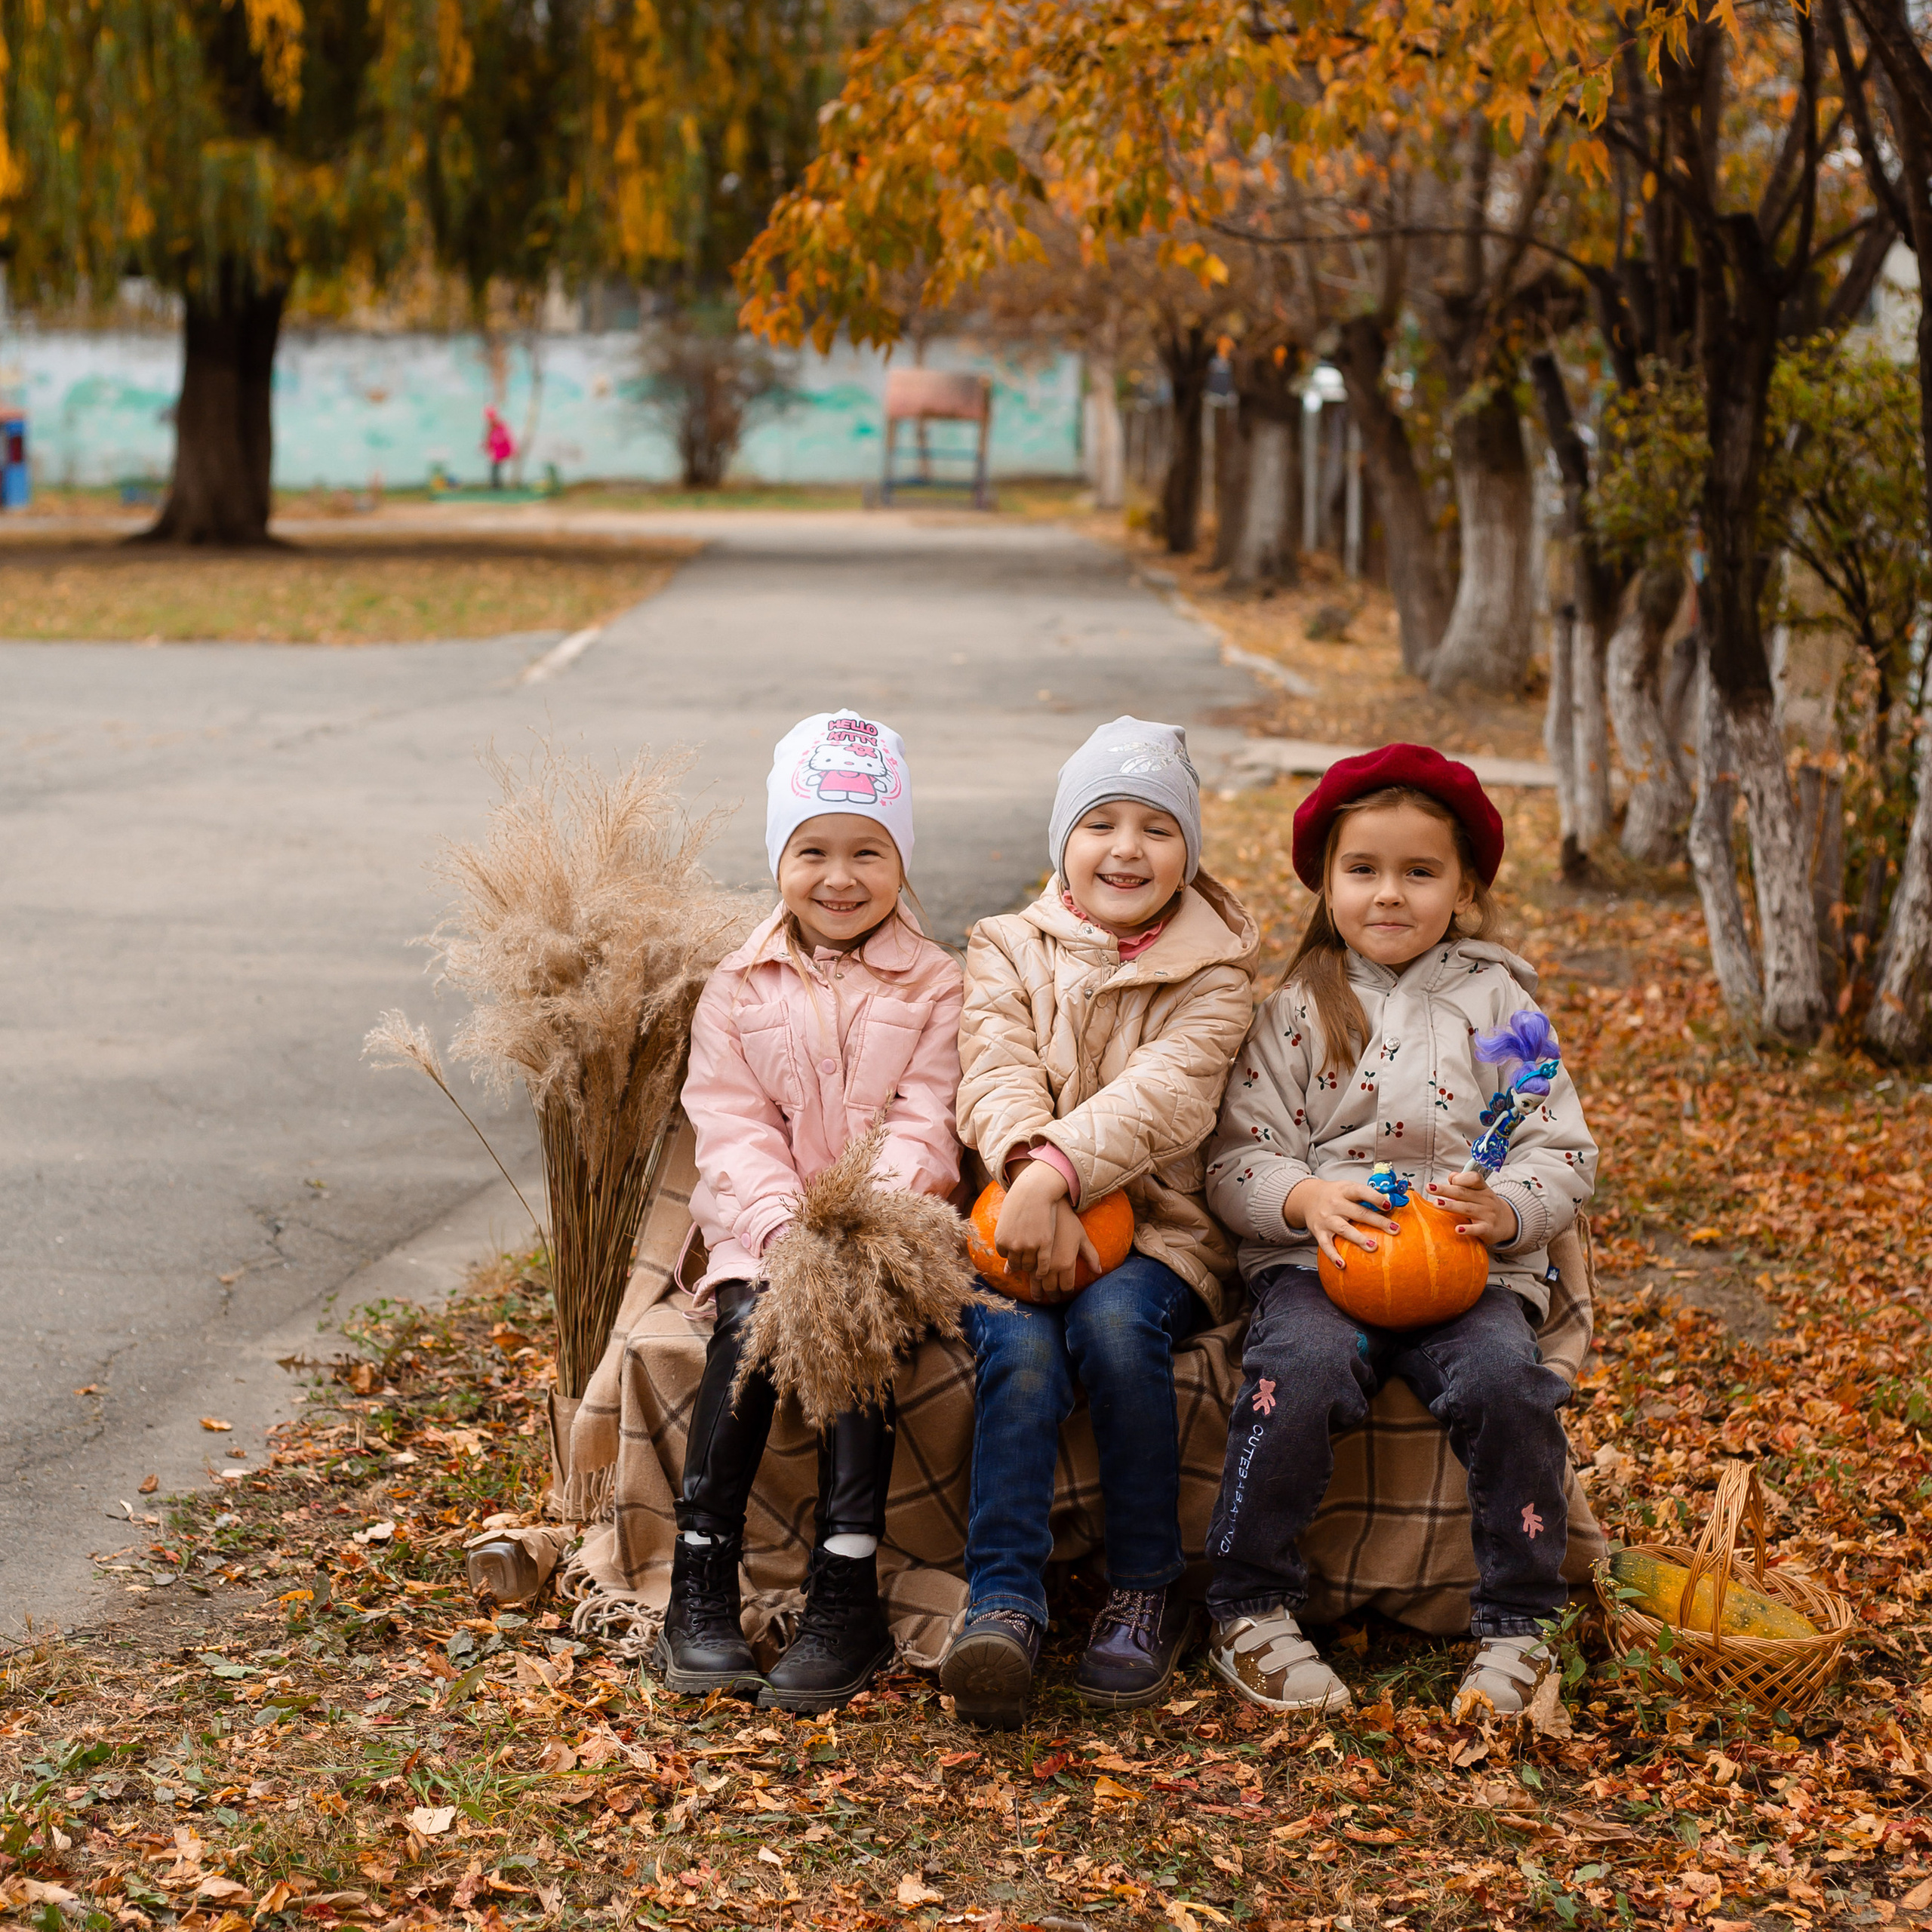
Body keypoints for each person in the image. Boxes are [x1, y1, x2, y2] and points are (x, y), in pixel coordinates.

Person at [1201, 744, 1598, 1718]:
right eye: (1363, 869)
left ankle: (1521, 1621)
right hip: (1323, 1260)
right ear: (1325, 883)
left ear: (1463, 887)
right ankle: (1248, 1604)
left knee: (1509, 1383)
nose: (1390, 894)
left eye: (1419, 872)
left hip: (1471, 1267)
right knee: (1293, 1371)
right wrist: (1303, 1200)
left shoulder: (1504, 1010)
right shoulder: (1296, 1010)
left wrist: (1508, 1210)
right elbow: (1237, 1155)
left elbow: (1563, 1149)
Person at [940, 718, 1259, 1728]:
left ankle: (1146, 1587)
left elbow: (1169, 1095)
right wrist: (1029, 1175)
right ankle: (1003, 1601)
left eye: (1157, 828)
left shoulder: (1217, 974)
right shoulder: (1005, 948)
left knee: (1116, 1329)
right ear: (1062, 843)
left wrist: (1058, 1173)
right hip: (1017, 1217)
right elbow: (993, 1069)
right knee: (1022, 1348)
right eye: (1102, 823)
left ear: (1189, 853)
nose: (1127, 848)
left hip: (1160, 1232)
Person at [660, 711, 964, 1712]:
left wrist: (857, 1231)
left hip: (884, 1236)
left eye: (868, 851)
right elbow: (731, 1124)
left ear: (901, 863)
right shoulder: (738, 987)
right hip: (762, 1231)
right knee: (753, 1323)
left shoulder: (936, 985)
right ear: (781, 859)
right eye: (813, 851)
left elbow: (929, 1119)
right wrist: (789, 1230)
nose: (840, 877)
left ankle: (846, 1592)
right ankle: (698, 1579)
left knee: (852, 1323)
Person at [483, 406, 514, 489]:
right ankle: (495, 486)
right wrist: (487, 447)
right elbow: (489, 440)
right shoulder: (491, 428)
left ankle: (497, 486)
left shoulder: (501, 426)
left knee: (496, 468)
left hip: (500, 451)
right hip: (495, 452)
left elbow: (504, 439)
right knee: (494, 468)